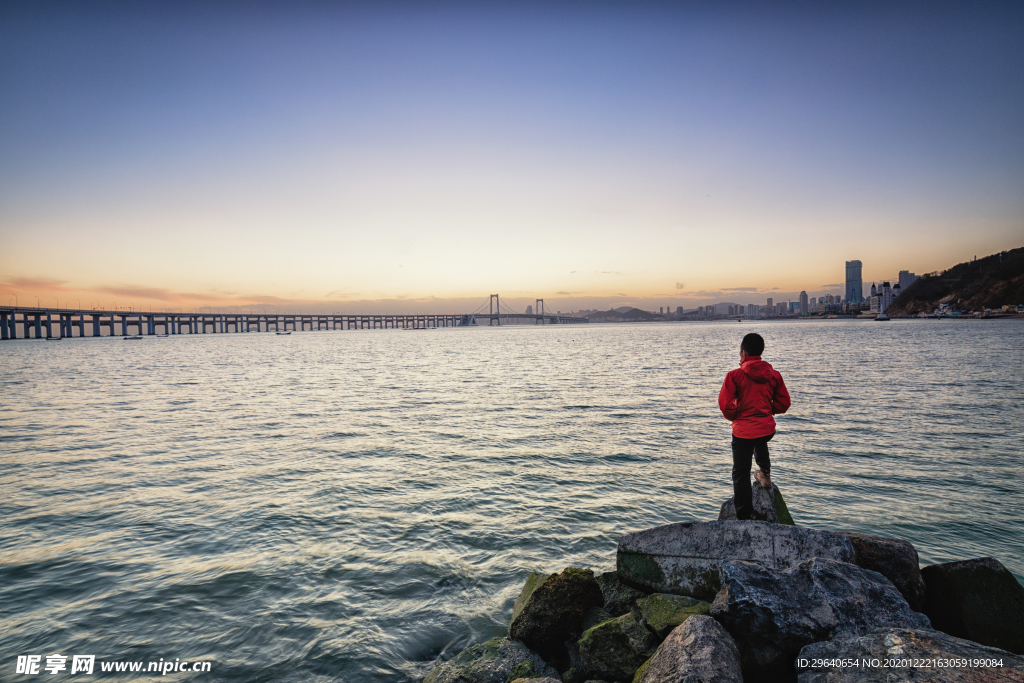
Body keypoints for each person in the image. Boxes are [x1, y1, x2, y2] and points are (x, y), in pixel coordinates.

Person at [717, 333, 791, 520]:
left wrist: (736, 415)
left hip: (743, 433)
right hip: (766, 429)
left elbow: (726, 406)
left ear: (744, 352)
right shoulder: (773, 375)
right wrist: (767, 410)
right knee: (759, 439)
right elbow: (784, 403)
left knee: (740, 472)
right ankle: (765, 474)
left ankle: (744, 513)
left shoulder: (735, 376)